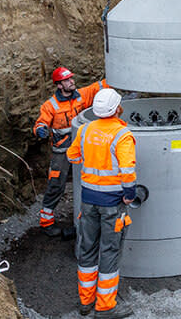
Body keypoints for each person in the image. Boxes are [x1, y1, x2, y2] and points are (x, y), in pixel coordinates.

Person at [67, 88, 136, 318]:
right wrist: (129, 194)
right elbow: (127, 170)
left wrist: (92, 160)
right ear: (117, 108)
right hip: (112, 204)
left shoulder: (85, 129)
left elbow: (72, 156)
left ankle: (85, 302)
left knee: (87, 248)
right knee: (109, 251)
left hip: (88, 201)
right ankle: (105, 307)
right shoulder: (122, 135)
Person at [33, 66, 109, 237]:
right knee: (56, 184)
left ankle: (90, 216)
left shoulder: (82, 95)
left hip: (84, 148)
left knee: (91, 180)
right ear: (59, 85)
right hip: (62, 151)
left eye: (71, 79)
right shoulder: (50, 106)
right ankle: (46, 223)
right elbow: (40, 122)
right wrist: (40, 130)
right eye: (67, 80)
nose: (71, 82)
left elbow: (102, 85)